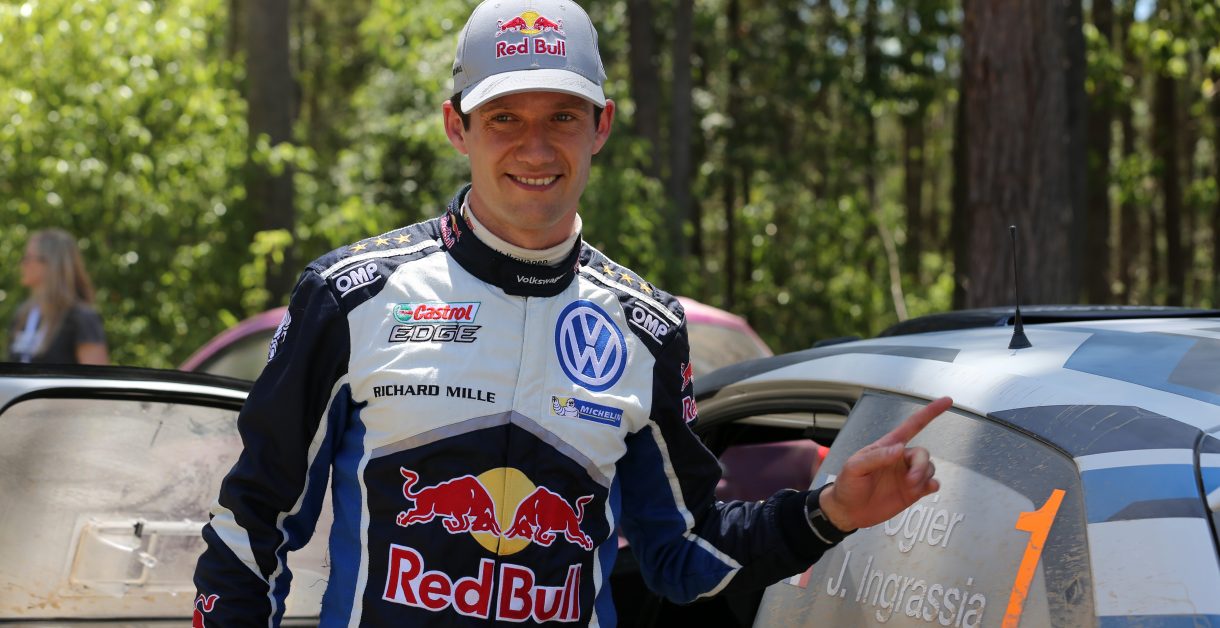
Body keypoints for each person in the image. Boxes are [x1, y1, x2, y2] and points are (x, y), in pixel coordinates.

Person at [192, 0, 950, 624]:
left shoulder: (646, 329)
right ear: (457, 127)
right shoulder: (350, 295)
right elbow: (251, 529)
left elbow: (682, 554)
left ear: (602, 126)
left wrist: (829, 512)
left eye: (562, 116)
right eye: (503, 118)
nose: (535, 148)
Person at [7, 228, 108, 365]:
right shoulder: (23, 315)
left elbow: (95, 376)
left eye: (28, 257)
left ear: (51, 263)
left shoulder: (81, 318)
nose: (23, 264)